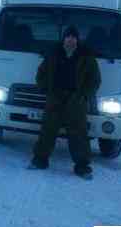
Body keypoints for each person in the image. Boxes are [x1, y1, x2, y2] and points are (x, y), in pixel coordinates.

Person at [31, 25, 101, 179]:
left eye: (73, 37)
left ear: (77, 40)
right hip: (55, 97)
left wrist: (83, 95)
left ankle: (82, 167)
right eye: (68, 37)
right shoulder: (53, 54)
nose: (70, 40)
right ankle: (40, 160)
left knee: (78, 134)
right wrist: (46, 89)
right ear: (64, 39)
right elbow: (41, 73)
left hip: (75, 99)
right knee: (48, 130)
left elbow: (94, 80)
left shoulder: (87, 57)